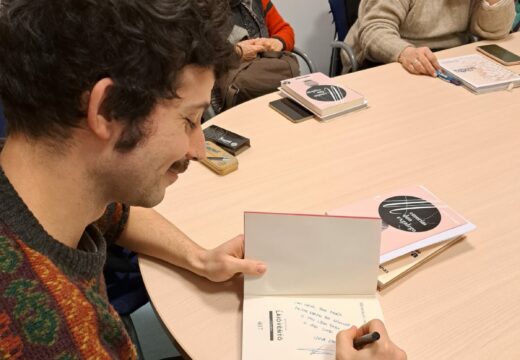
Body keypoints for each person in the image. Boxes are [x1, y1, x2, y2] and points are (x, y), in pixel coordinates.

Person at [0, 0, 404, 358]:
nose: (199, 148)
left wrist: (199, 258)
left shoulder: (35, 173)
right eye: (190, 120)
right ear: (107, 112)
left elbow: (111, 213)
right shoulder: (52, 340)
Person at [341, 0, 515, 76]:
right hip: (391, 60)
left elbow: (495, 32)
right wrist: (404, 52)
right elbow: (374, 30)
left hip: (449, 63)